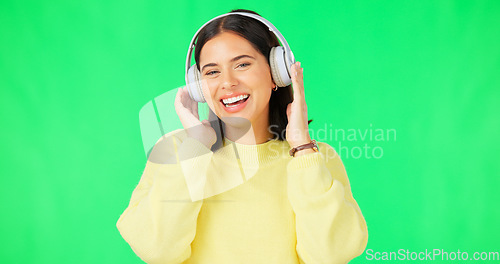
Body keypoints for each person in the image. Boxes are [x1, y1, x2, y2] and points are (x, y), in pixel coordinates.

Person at [116, 9, 368, 264]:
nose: (227, 82)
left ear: (276, 73)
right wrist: (196, 149)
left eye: (242, 64)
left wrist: (302, 147)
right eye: (212, 72)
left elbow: (331, 256)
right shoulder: (176, 151)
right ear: (198, 86)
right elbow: (157, 252)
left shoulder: (314, 158)